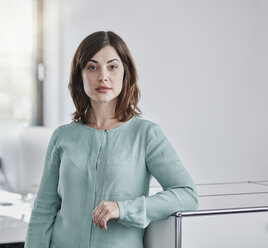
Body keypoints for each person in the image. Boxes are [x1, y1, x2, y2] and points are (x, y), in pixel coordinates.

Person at [25, 31, 198, 248]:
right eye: (92, 67)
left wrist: (123, 209)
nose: (102, 76)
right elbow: (44, 210)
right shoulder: (62, 137)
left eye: (112, 66)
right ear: (80, 75)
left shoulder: (145, 134)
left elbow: (187, 194)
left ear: (126, 73)